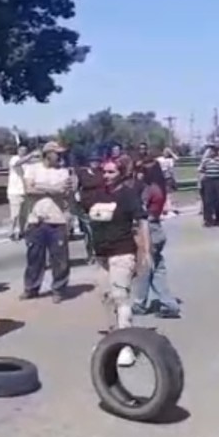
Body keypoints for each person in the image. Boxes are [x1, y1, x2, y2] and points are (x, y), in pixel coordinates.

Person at [83, 157, 151, 367]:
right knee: (106, 298)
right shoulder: (97, 194)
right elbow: (79, 209)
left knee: (121, 297)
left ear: (121, 173)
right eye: (104, 172)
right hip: (101, 254)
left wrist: (146, 251)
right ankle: (111, 343)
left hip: (122, 252)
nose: (106, 175)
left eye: (111, 172)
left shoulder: (128, 195)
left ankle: (126, 346)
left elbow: (142, 221)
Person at [20, 141, 73, 303]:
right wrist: (52, 189)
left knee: (59, 259)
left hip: (57, 219)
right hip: (36, 219)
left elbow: (63, 191)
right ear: (48, 154)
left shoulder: (63, 172)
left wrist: (41, 187)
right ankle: (31, 288)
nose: (60, 156)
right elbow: (29, 190)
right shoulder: (33, 169)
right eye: (57, 153)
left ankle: (58, 289)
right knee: (34, 257)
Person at [132, 163, 181, 318]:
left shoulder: (148, 190)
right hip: (157, 227)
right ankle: (169, 303)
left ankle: (140, 302)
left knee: (144, 268)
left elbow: (140, 211)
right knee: (157, 268)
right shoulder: (159, 188)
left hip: (148, 229)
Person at [7, 144, 35, 240]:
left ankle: (22, 232)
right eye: (21, 150)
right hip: (15, 191)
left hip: (25, 192)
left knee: (24, 215)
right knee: (15, 215)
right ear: (18, 150)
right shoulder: (14, 159)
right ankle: (11, 231)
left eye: (25, 150)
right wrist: (31, 156)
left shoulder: (29, 163)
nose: (23, 152)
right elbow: (17, 163)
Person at [198, 144, 219, 227]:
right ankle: (208, 220)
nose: (211, 152)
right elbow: (202, 171)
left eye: (213, 150)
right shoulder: (206, 160)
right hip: (208, 181)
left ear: (217, 151)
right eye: (210, 150)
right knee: (208, 201)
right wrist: (200, 183)